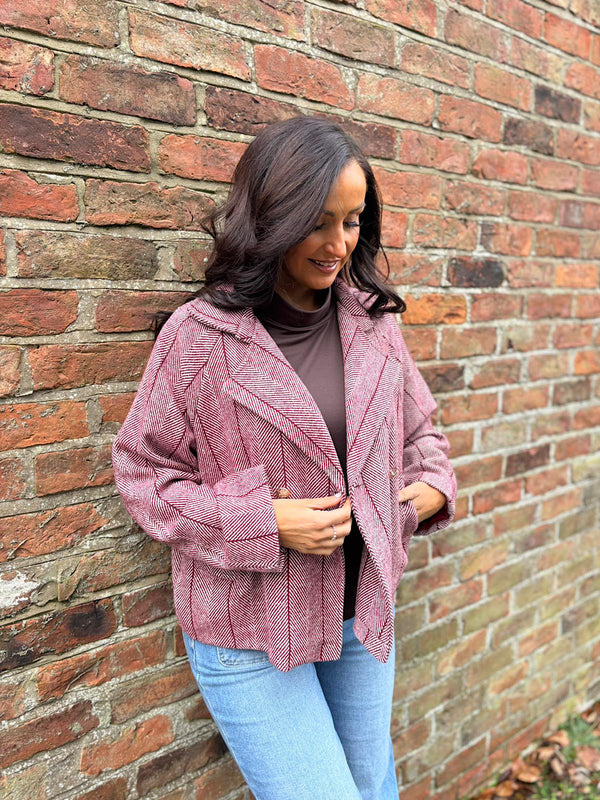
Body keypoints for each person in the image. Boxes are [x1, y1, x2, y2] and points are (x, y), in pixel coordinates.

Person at [112, 116, 457, 800]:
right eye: (318, 223)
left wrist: (429, 490)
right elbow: (144, 474)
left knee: (374, 789)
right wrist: (265, 522)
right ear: (272, 218)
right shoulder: (202, 337)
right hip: (250, 628)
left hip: (362, 613)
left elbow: (422, 436)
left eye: (353, 222)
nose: (338, 245)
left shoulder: (372, 322)